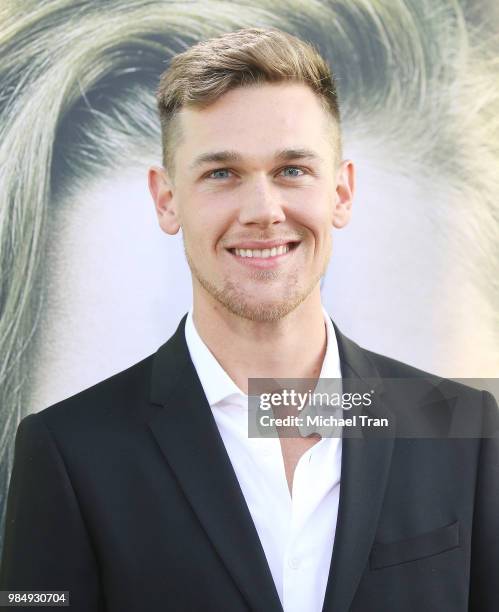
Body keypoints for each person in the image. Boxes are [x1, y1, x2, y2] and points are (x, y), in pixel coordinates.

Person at [1, 27, 498, 611]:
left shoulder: (463, 428)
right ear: (166, 200)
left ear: (341, 191)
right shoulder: (66, 449)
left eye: (292, 170)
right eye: (221, 174)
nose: (263, 211)